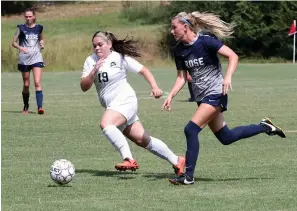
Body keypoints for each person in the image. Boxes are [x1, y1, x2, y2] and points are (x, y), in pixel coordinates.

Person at [162, 11, 286, 185]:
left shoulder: (205, 41)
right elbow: (181, 78)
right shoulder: (179, 51)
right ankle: (265, 126)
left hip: (215, 93)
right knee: (226, 137)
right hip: (202, 97)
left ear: (185, 26)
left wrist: (227, 77)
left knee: (190, 130)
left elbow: (233, 56)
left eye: (174, 27)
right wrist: (171, 95)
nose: (171, 31)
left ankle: (188, 177)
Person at [80, 31, 185, 174]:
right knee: (143, 140)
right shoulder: (90, 61)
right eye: (94, 46)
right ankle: (177, 160)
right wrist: (93, 71)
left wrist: (154, 87)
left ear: (109, 44)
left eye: (100, 45)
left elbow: (144, 70)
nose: (97, 48)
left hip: (125, 100)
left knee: (106, 124)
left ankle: (128, 158)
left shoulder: (119, 58)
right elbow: (84, 87)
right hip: (113, 106)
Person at [12, 8, 45, 114]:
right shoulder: (20, 28)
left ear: (34, 16)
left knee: (37, 82)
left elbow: (41, 38)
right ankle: (26, 106)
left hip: (36, 58)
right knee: (26, 84)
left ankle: (40, 107)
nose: (28, 18)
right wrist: (20, 48)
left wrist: (42, 43)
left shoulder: (39, 28)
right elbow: (13, 42)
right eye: (26, 16)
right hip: (24, 59)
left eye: (30, 16)